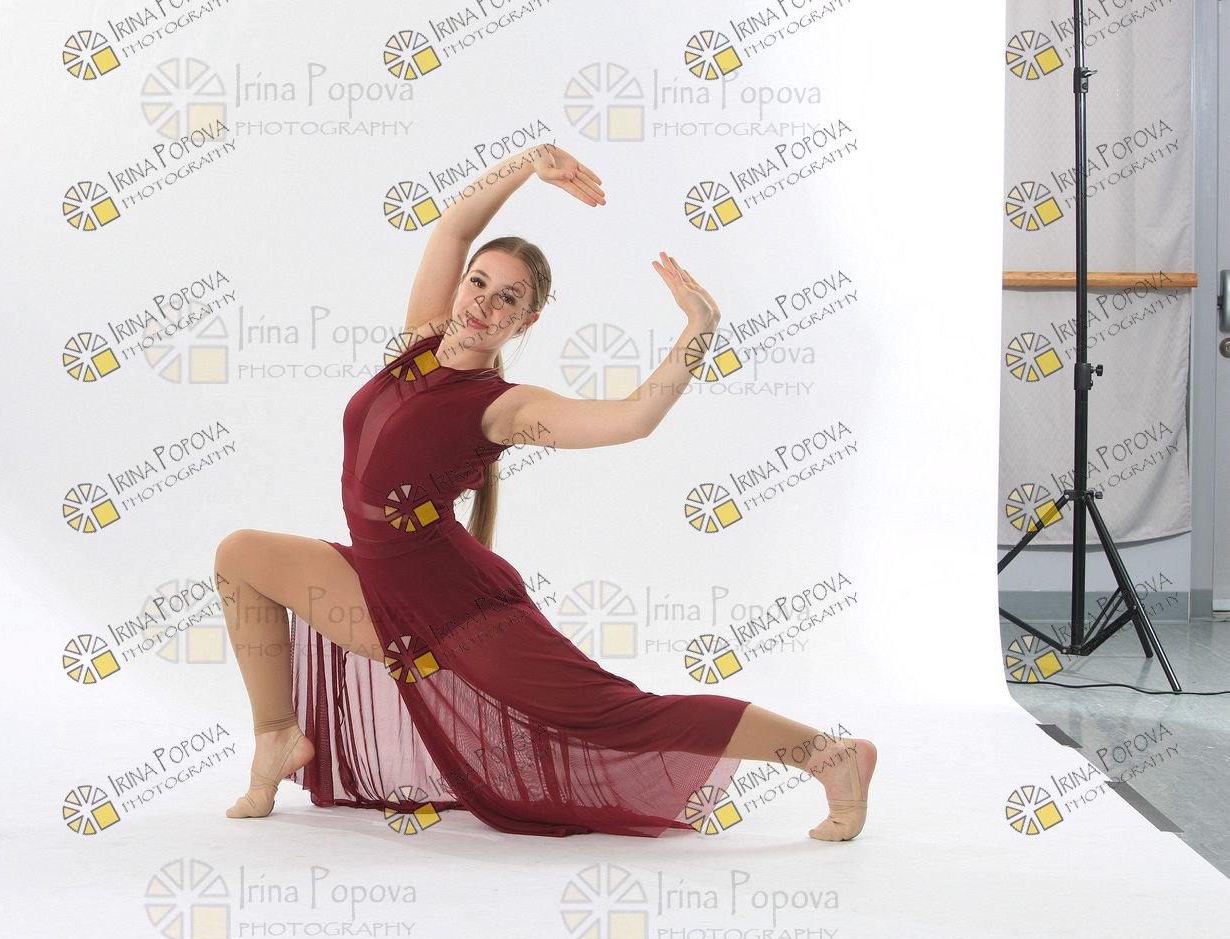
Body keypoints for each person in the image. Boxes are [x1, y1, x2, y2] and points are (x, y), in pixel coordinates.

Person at [214, 141, 875, 840]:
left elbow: (633, 419)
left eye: (509, 298)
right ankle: (278, 736)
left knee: (614, 715)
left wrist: (699, 329)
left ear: (526, 322)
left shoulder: (503, 405)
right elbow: (454, 228)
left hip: (457, 609)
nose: (484, 302)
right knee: (241, 556)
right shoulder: (419, 342)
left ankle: (829, 756)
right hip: (376, 580)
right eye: (478, 283)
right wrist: (528, 164)